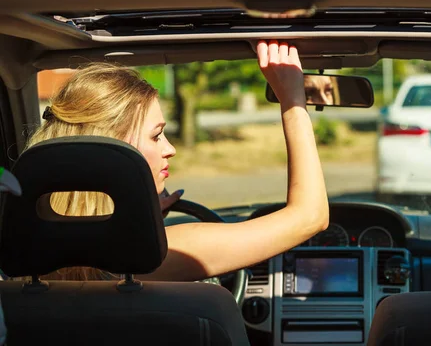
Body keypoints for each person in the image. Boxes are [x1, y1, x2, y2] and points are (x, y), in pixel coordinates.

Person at [26, 40, 329, 281]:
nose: (170, 149)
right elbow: (309, 217)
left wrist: (140, 216)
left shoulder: (20, 258)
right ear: (110, 150)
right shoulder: (152, 256)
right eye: (156, 136)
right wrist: (291, 99)